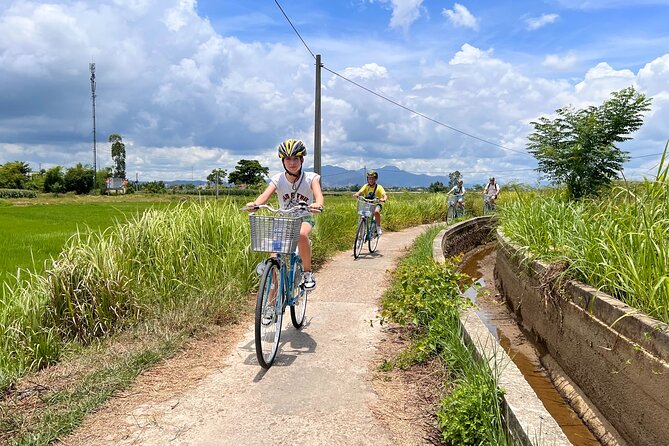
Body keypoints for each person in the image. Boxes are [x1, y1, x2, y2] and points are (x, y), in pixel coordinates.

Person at [246, 139, 324, 290]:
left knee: (301, 235)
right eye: (288, 159)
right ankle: (270, 306)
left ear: (302, 159)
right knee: (274, 258)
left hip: (304, 217)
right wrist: (255, 204)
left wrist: (317, 204)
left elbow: (318, 195)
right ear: (283, 161)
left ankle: (308, 273)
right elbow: (265, 195)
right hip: (284, 220)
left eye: (295, 158)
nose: (292, 162)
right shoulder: (278, 179)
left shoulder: (311, 177)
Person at [353, 169, 387, 235]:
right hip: (367, 203)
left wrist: (383, 199)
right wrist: (357, 194)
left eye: (372, 179)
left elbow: (384, 195)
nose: (371, 180)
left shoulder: (379, 187)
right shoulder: (366, 186)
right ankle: (361, 232)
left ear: (376, 179)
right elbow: (360, 192)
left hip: (377, 204)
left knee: (376, 212)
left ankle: (378, 227)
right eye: (369, 179)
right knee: (362, 215)